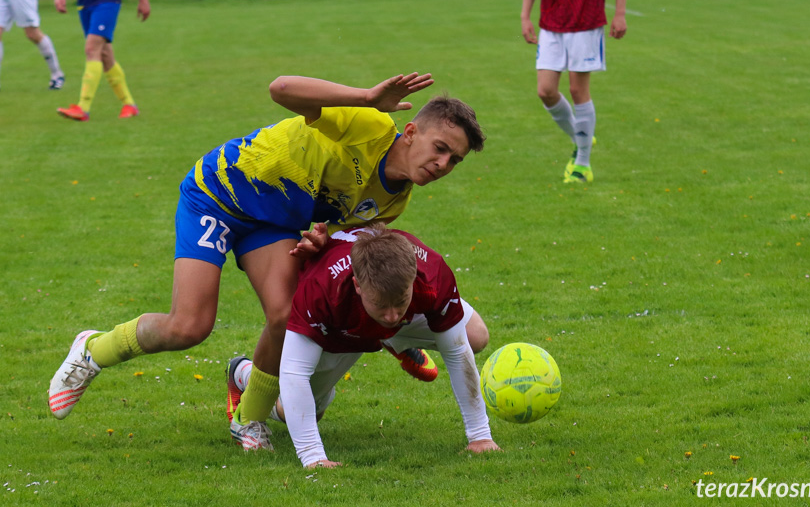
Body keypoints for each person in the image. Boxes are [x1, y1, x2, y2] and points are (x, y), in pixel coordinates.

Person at [48, 72, 486, 452]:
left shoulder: (393, 201)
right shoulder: (370, 125)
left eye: (455, 160)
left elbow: (337, 241)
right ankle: (92, 350)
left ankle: (249, 418)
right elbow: (281, 89)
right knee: (188, 326)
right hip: (220, 193)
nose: (443, 164)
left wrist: (320, 241)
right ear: (410, 132)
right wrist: (368, 97)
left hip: (273, 225)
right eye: (440, 147)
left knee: (284, 314)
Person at [226, 223, 500, 463]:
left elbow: (456, 351)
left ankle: (392, 336)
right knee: (294, 410)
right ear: (357, 285)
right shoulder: (323, 290)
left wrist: (480, 436)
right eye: (382, 305)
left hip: (381, 311)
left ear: (414, 279)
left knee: (474, 335)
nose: (393, 315)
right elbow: (294, 374)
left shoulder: (432, 273)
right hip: (339, 328)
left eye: (400, 302)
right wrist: (313, 457)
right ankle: (243, 373)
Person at [521, 0, 628, 184]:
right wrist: (525, 16)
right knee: (545, 90)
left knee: (578, 90)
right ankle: (581, 137)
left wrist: (620, 12)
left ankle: (582, 163)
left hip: (587, 21)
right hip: (551, 22)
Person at [53, 0, 150, 122]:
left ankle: (83, 107)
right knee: (105, 55)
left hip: (108, 0)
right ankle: (129, 104)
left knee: (92, 48)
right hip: (85, 4)